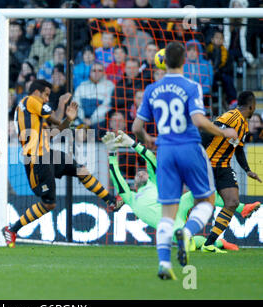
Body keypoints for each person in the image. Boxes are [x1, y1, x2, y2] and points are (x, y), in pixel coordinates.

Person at [132, 41, 238, 280]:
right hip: (189, 147)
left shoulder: (152, 89)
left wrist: (147, 138)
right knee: (207, 201)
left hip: (165, 151)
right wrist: (225, 132)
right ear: (183, 62)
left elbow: (136, 126)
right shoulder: (191, 86)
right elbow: (199, 121)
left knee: (167, 212)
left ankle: (163, 264)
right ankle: (188, 232)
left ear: (163, 61)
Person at [1, 79, 123, 248]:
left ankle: (111, 200)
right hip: (36, 159)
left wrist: (69, 120)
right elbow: (57, 119)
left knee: (81, 171)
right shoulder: (31, 101)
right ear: (37, 92)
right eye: (46, 95)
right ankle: (12, 229)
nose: (46, 99)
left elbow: (53, 132)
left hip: (47, 154)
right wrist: (61, 103)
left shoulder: (32, 115)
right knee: (49, 203)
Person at [102, 130, 260, 251]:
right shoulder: (130, 197)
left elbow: (150, 157)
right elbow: (116, 175)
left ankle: (243, 208)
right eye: (138, 174)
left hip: (177, 207)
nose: (140, 173)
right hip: (171, 224)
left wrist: (131, 143)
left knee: (200, 192)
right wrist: (112, 152)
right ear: (134, 185)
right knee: (188, 244)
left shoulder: (155, 183)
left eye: (142, 172)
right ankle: (219, 242)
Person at [201, 91, 262, 252]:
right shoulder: (231, 117)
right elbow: (208, 132)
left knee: (232, 202)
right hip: (208, 165)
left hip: (223, 168)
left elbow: (239, 150)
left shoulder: (243, 124)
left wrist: (248, 170)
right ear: (251, 106)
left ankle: (209, 244)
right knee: (196, 202)